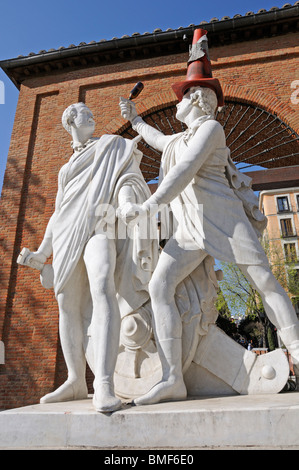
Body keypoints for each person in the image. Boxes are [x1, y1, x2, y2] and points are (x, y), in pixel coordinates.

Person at [118, 29, 299, 406]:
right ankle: (172, 378)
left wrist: (149, 207)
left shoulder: (211, 130)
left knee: (263, 279)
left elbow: (181, 172)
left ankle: (296, 349)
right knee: (159, 286)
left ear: (199, 101)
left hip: (224, 220)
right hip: (190, 230)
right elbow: (157, 139)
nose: (178, 101)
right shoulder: (180, 137)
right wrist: (134, 120)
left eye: (184, 95)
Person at [26, 102, 157, 412]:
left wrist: (126, 204)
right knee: (67, 304)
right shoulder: (64, 169)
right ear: (71, 120)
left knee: (102, 286)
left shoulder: (111, 145)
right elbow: (59, 212)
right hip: (67, 233)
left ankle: (104, 383)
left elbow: (128, 178)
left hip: (99, 224)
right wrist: (43, 252)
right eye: (84, 112)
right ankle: (74, 380)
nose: (91, 115)